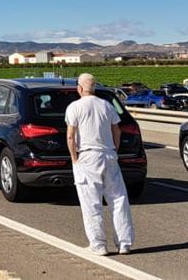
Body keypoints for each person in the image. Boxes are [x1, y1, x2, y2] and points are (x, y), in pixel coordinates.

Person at [64, 73, 134, 256]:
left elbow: (71, 135)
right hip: (109, 154)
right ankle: (124, 243)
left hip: (87, 156)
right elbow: (116, 131)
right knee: (118, 199)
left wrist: (74, 158)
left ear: (79, 88)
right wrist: (114, 150)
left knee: (91, 202)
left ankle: (98, 244)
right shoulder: (106, 105)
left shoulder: (74, 107)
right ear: (93, 87)